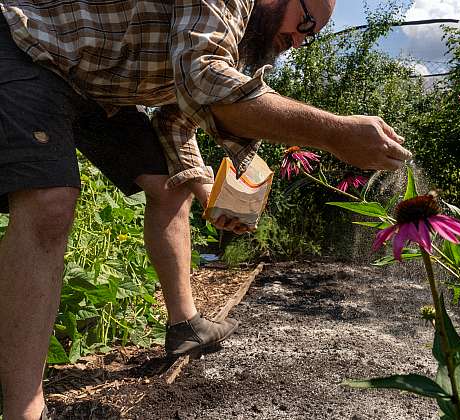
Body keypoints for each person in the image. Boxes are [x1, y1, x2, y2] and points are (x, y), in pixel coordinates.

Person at [0, 0, 411, 418]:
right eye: (305, 22)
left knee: (169, 187)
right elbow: (204, 79)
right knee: (50, 203)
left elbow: (174, 120)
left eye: (312, 35)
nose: (300, 40)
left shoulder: (234, 43)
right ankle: (24, 409)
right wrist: (335, 132)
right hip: (31, 45)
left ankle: (186, 326)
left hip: (97, 88)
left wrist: (209, 193)